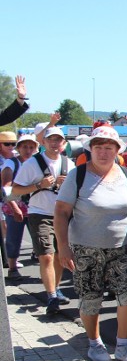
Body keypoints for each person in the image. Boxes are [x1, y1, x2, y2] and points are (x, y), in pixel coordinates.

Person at [54, 126, 127, 361]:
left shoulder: (125, 175)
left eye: (108, 148)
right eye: (98, 147)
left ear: (117, 150)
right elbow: (61, 212)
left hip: (122, 248)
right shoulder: (79, 175)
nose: (103, 152)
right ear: (90, 149)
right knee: (90, 298)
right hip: (86, 249)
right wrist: (63, 247)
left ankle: (124, 345)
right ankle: (95, 343)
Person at [12, 126, 72, 315]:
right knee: (46, 255)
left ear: (63, 143)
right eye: (51, 140)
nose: (55, 144)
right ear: (44, 142)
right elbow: (16, 189)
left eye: (58, 140)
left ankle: (55, 289)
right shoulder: (32, 163)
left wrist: (65, 185)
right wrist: (39, 185)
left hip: (62, 215)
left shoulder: (68, 164)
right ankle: (51, 295)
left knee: (60, 256)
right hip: (39, 213)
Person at [3, 134, 38, 281]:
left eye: (31, 147)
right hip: (15, 206)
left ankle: (40, 259)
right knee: (14, 237)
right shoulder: (11, 164)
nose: (28, 150)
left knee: (39, 237)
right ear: (19, 148)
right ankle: (12, 268)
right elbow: (6, 188)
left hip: (34, 206)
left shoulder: (37, 163)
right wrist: (15, 208)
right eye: (24, 147)